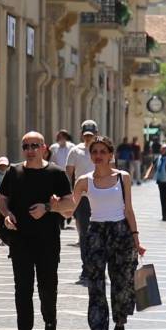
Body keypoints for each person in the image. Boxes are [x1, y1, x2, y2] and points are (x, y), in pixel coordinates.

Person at [0, 131, 75, 330]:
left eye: (34, 146)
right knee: (22, 289)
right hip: (20, 240)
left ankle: (50, 323)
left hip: (48, 241)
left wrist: (48, 208)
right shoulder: (13, 171)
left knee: (47, 287)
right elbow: (1, 201)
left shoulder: (56, 173)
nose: (30, 150)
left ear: (44, 148)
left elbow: (70, 205)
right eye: (26, 146)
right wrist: (7, 215)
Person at [71, 136, 146, 330]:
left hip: (121, 232)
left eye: (103, 152)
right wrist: (53, 206)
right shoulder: (83, 181)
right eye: (95, 152)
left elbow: (128, 210)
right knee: (95, 284)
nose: (98, 156)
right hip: (96, 233)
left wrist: (136, 239)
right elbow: (70, 208)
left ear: (110, 155)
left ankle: (120, 325)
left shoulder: (123, 178)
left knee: (121, 282)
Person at [66, 120, 98, 284]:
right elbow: (68, 174)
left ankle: (97, 265)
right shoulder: (75, 151)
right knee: (84, 234)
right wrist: (67, 195)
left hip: (100, 197)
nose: (88, 138)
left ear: (96, 135)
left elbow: (113, 172)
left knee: (99, 233)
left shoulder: (102, 150)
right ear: (82, 135)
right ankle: (86, 267)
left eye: (91, 135)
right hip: (82, 198)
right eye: (86, 135)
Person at [144, 144, 166, 221]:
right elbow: (152, 166)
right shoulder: (158, 158)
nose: (162, 150)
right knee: (162, 198)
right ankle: (163, 214)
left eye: (164, 149)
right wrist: (147, 175)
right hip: (160, 181)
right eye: (161, 149)